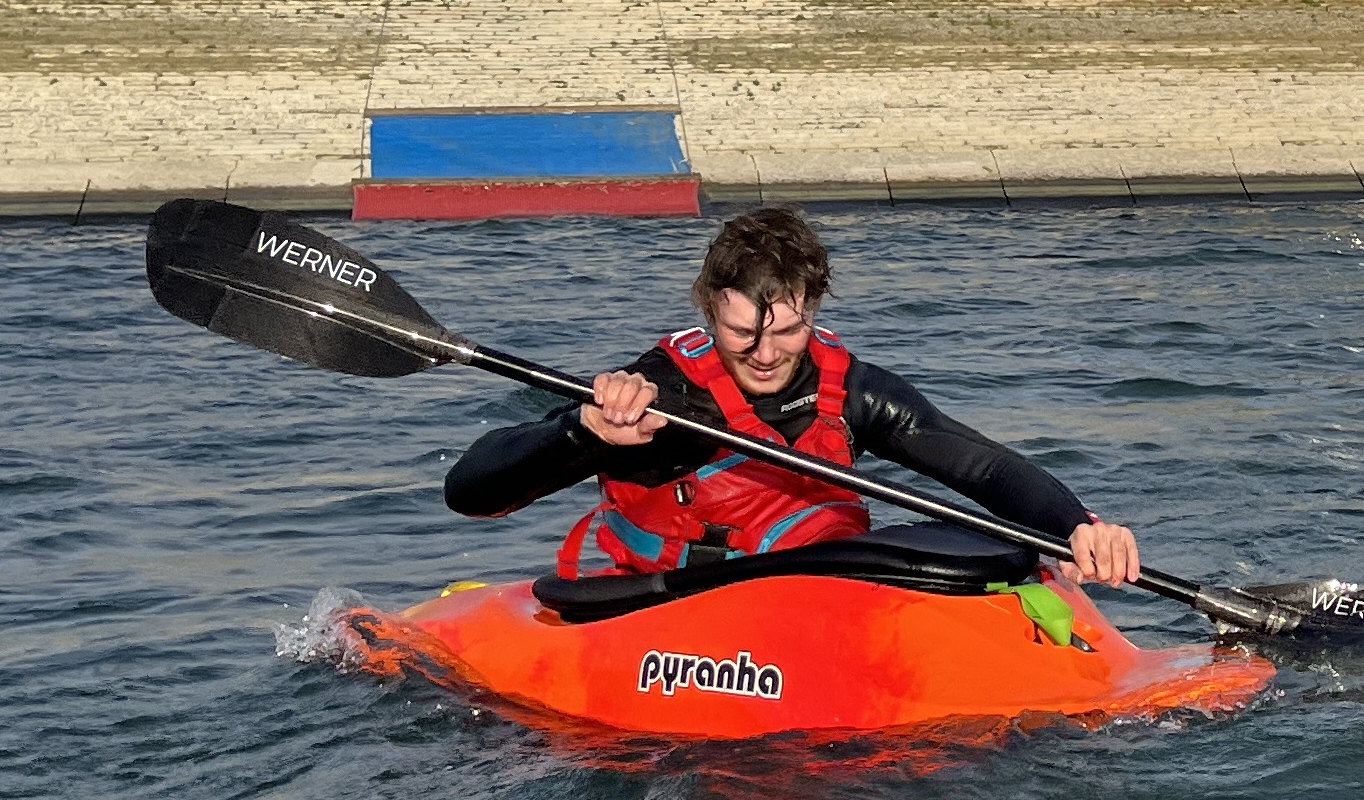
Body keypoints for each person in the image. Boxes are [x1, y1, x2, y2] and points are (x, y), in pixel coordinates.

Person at [444, 207, 1141, 587]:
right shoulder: (665, 395)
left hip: (822, 602)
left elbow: (981, 468)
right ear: (709, 309)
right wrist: (584, 434)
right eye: (743, 334)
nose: (767, 355)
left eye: (789, 331)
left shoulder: (849, 388)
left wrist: (1077, 525)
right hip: (677, 618)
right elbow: (471, 490)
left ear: (813, 307)